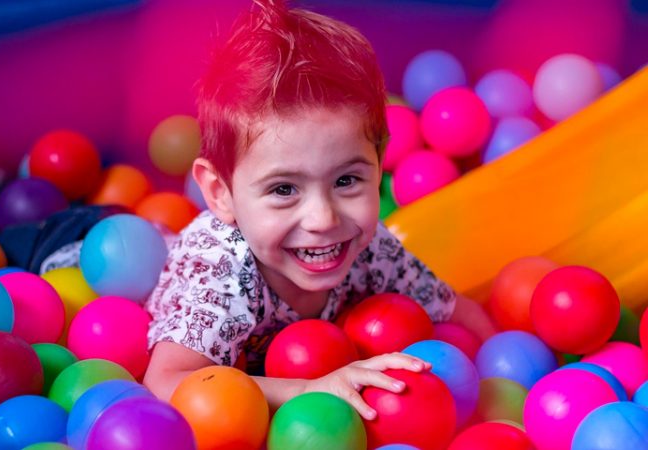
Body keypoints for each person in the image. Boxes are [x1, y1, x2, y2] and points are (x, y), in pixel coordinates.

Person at [141, 0, 495, 419]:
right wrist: (312, 390)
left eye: (346, 181)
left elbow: (457, 310)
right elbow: (165, 382)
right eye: (284, 189)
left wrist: (500, 378)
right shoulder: (224, 270)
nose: (324, 219)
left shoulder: (372, 248)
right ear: (221, 194)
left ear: (379, 165)